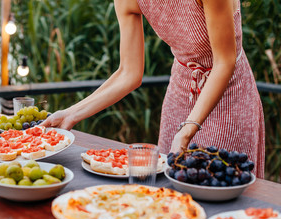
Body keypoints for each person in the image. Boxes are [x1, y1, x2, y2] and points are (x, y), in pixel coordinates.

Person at [41, 0, 265, 178]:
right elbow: (128, 73)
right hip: (180, 91)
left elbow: (225, 62)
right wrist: (72, 113)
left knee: (221, 180)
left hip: (229, 94)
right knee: (172, 187)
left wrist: (187, 129)